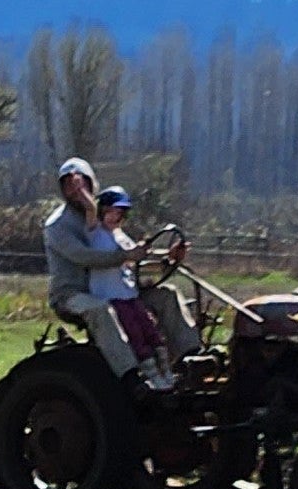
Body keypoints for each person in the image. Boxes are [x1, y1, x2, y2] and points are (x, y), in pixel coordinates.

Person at [43, 157, 198, 385]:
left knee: (167, 294)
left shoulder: (106, 218)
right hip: (73, 294)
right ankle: (131, 375)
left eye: (81, 183)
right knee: (100, 309)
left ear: (92, 183)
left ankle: (191, 358)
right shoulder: (57, 226)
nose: (76, 190)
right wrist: (126, 256)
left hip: (114, 289)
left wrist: (167, 258)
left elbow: (129, 252)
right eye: (69, 185)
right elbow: (86, 258)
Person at [88, 187, 175, 389]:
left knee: (150, 330)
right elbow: (108, 258)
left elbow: (135, 261)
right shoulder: (94, 236)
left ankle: (166, 371)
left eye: (119, 213)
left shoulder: (121, 236)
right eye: (110, 212)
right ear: (101, 211)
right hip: (110, 295)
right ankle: (151, 376)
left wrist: (165, 258)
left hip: (128, 294)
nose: (115, 217)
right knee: (134, 334)